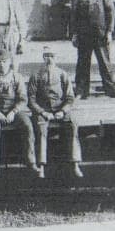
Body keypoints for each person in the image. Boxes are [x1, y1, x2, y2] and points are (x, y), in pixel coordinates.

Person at [0, 49, 37, 176]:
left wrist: (13, 112)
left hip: (13, 110)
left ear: (9, 62)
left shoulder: (17, 77)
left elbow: (23, 99)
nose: (0, 64)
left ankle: (31, 161)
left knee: (27, 125)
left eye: (4, 61)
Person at [28, 46, 83, 178]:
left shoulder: (63, 75)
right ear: (43, 58)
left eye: (52, 56)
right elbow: (31, 100)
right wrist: (42, 112)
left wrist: (63, 111)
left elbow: (70, 98)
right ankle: (41, 166)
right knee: (41, 131)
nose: (49, 59)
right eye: (46, 56)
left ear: (56, 58)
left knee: (73, 124)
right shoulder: (36, 76)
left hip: (60, 109)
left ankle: (75, 163)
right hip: (44, 111)